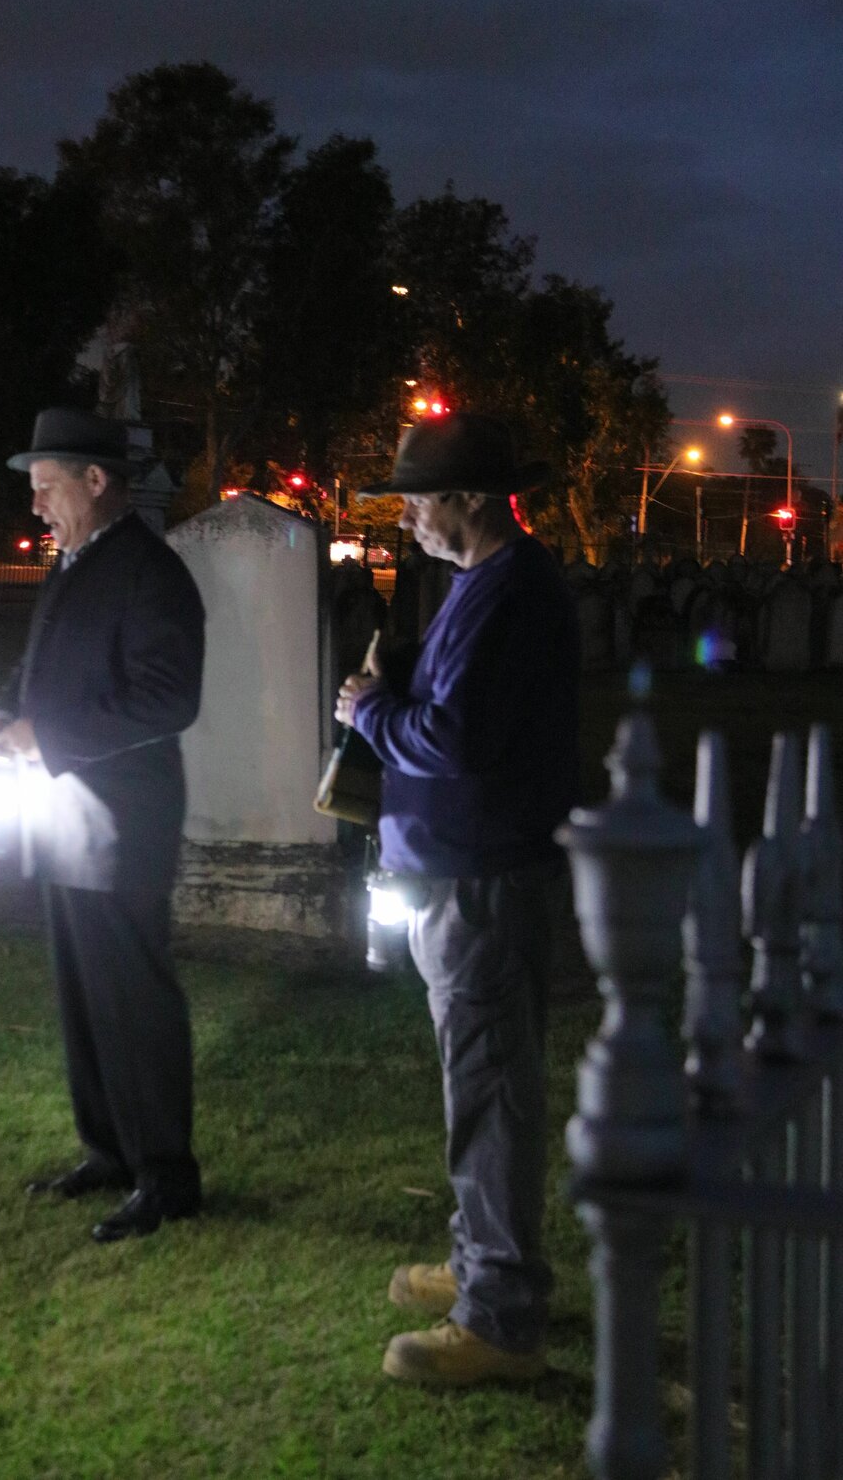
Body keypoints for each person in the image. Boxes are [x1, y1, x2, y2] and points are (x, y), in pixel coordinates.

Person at [335, 413, 580, 1387]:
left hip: (482, 879)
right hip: (461, 871)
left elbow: (457, 741)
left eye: (419, 502)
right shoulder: (487, 584)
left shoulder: (512, 589)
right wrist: (403, 681)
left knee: (489, 1093)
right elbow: (458, 708)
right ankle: (486, 1263)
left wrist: (372, 711)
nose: (409, 522)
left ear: (471, 501)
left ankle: (500, 1318)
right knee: (479, 1083)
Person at [0, 408, 205, 1243]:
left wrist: (52, 737)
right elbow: (40, 668)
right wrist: (5, 713)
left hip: (124, 817)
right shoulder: (76, 563)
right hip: (64, 808)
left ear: (96, 481)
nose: (35, 507)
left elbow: (170, 697)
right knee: (80, 989)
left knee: (131, 992)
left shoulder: (150, 573)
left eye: (46, 488)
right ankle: (106, 1148)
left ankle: (164, 1173)